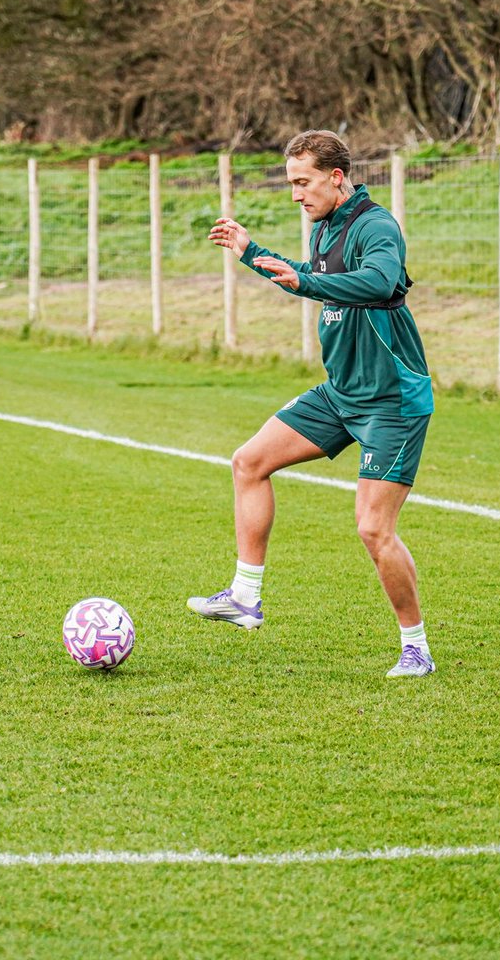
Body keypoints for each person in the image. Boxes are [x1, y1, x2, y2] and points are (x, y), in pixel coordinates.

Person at [188, 129, 437, 677]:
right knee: (249, 462)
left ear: (337, 177)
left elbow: (378, 281)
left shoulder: (376, 225)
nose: (296, 194)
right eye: (292, 183)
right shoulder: (326, 228)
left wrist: (303, 280)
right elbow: (311, 279)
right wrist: (252, 253)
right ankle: (245, 597)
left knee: (374, 530)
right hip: (341, 392)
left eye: (303, 182)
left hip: (391, 401)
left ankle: (415, 647)